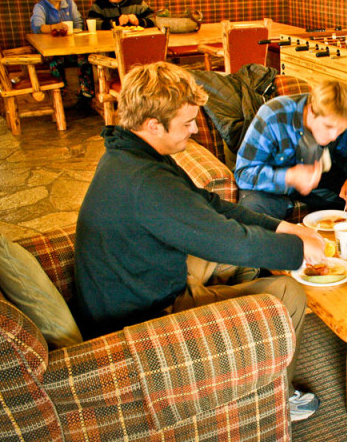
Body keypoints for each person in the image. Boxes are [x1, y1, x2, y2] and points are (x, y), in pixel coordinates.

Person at [74, 61, 323, 421]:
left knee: (238, 251)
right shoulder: (147, 182)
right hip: (143, 319)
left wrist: (285, 229)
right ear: (153, 125)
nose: (195, 130)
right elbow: (235, 243)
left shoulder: (131, 153)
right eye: (187, 123)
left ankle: (244, 347)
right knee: (289, 292)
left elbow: (208, 204)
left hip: (142, 276)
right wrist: (300, 251)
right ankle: (275, 400)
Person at [235, 80, 347, 219]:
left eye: (341, 129)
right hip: (276, 186)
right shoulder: (273, 115)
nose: (334, 136)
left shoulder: (346, 117)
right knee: (251, 210)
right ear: (311, 111)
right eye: (328, 127)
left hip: (323, 182)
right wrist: (289, 177)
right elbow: (243, 173)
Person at [30, 0, 94, 110]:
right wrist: (55, 27)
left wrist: (75, 30)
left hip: (71, 47)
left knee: (85, 58)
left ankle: (86, 96)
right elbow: (37, 27)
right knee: (55, 60)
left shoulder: (69, 3)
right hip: (50, 50)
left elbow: (78, 22)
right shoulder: (40, 7)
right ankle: (61, 96)